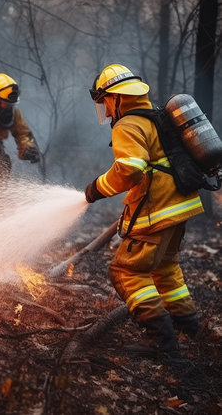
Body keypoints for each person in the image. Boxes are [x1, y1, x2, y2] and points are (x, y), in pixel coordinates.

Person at [85, 63, 204, 358]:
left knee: (126, 270)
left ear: (116, 98)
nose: (107, 112)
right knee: (164, 268)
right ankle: (189, 326)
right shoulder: (155, 117)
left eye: (106, 104)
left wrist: (97, 188)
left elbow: (130, 169)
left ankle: (161, 341)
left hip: (157, 210)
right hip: (181, 205)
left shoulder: (128, 124)